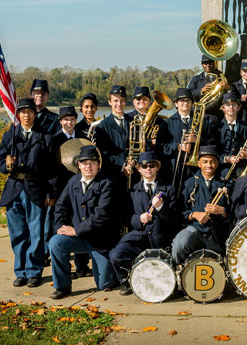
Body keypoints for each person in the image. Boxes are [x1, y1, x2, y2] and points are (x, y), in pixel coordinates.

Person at [0, 98, 55, 288]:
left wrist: (50, 193)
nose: (26, 115)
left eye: (30, 112)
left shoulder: (45, 136)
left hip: (35, 189)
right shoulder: (9, 136)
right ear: (18, 115)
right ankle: (20, 272)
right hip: (14, 189)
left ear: (35, 115)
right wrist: (7, 164)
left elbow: (52, 170)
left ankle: (34, 272)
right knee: (18, 233)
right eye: (22, 112)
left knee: (36, 233)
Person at [48, 145, 118, 299]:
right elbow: (60, 206)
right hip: (78, 238)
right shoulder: (73, 181)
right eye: (84, 163)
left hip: (100, 240)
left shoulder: (107, 183)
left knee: (104, 285)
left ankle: (111, 275)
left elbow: (101, 215)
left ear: (98, 164)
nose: (88, 166)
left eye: (92, 162)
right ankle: (63, 286)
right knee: (56, 242)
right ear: (78, 165)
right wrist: (60, 227)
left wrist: (75, 230)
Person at [109, 150, 179, 296]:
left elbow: (175, 219)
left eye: (152, 166)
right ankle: (128, 281)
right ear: (139, 169)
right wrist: (138, 219)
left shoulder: (168, 189)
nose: (148, 169)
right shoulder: (132, 191)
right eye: (144, 167)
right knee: (116, 254)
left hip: (160, 238)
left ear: (157, 167)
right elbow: (125, 218)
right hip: (139, 237)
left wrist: (160, 207)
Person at [170, 145, 234, 265]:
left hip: (218, 235)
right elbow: (179, 212)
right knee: (180, 244)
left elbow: (234, 213)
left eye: (212, 162)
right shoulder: (189, 184)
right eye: (205, 162)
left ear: (217, 163)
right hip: (196, 230)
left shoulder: (226, 184)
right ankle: (177, 272)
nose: (209, 165)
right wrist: (194, 214)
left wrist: (222, 211)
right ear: (199, 163)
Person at [49, 106, 89, 277]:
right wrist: (51, 193)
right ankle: (65, 268)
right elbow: (49, 170)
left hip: (80, 188)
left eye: (72, 119)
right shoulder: (54, 140)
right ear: (60, 121)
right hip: (60, 189)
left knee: (80, 223)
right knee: (61, 226)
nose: (69, 122)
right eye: (66, 119)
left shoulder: (83, 138)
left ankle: (82, 265)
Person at [165, 88, 213, 189]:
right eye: (181, 101)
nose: (185, 103)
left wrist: (197, 140)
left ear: (192, 103)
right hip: (175, 168)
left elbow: (212, 142)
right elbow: (161, 147)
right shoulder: (167, 123)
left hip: (197, 168)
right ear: (176, 104)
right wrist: (178, 146)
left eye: (188, 100)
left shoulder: (202, 121)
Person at [90, 85, 129, 180]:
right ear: (109, 102)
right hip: (112, 175)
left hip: (133, 173)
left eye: (122, 100)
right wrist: (123, 166)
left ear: (126, 102)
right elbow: (103, 153)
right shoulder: (102, 126)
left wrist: (134, 163)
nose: (119, 103)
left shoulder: (134, 122)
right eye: (115, 100)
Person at [217, 92, 247, 179]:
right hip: (222, 171)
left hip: (241, 169)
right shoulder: (217, 128)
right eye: (228, 105)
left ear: (238, 108)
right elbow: (214, 152)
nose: (231, 107)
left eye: (234, 104)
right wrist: (226, 159)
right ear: (223, 108)